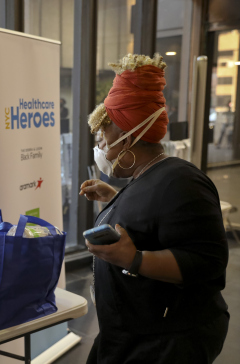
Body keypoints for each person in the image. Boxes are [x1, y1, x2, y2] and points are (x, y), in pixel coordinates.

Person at [79, 54, 229, 364]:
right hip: (129, 333)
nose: (100, 147)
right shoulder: (144, 177)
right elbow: (154, 217)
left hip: (166, 343)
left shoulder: (182, 180)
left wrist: (132, 259)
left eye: (103, 136)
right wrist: (116, 199)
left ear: (129, 137)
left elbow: (207, 261)